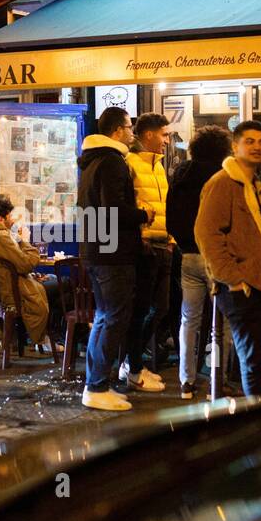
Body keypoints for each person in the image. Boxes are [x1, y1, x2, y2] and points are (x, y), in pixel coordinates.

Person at [195, 120, 261, 397]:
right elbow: (207, 233)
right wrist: (233, 278)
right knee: (254, 361)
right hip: (241, 285)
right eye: (250, 141)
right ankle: (255, 423)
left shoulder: (254, 184)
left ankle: (259, 417)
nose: (257, 146)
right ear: (235, 146)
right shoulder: (223, 182)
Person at [78, 107, 153, 411]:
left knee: (103, 317)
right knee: (114, 318)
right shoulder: (111, 162)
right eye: (129, 127)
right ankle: (96, 386)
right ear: (118, 131)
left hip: (97, 250)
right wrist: (143, 215)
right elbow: (114, 209)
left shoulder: (93, 162)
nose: (132, 132)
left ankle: (96, 383)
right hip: (112, 253)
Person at [167, 125, 234, 399]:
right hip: (217, 257)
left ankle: (186, 381)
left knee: (189, 319)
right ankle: (219, 380)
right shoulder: (224, 176)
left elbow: (172, 218)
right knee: (223, 323)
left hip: (188, 256)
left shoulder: (180, 176)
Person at [122, 112, 174, 393]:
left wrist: (171, 239)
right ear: (149, 134)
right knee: (140, 309)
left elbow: (165, 204)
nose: (167, 141)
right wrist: (140, 238)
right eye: (164, 135)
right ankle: (131, 367)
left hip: (163, 244)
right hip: (144, 246)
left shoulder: (158, 166)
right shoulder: (129, 163)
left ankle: (133, 363)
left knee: (160, 308)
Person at [0, 198, 55, 350]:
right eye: (10, 216)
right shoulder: (2, 238)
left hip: (0, 294)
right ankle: (45, 339)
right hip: (16, 295)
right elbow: (26, 264)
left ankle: (36, 338)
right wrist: (24, 241)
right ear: (1, 219)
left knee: (53, 281)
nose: (12, 220)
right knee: (63, 284)